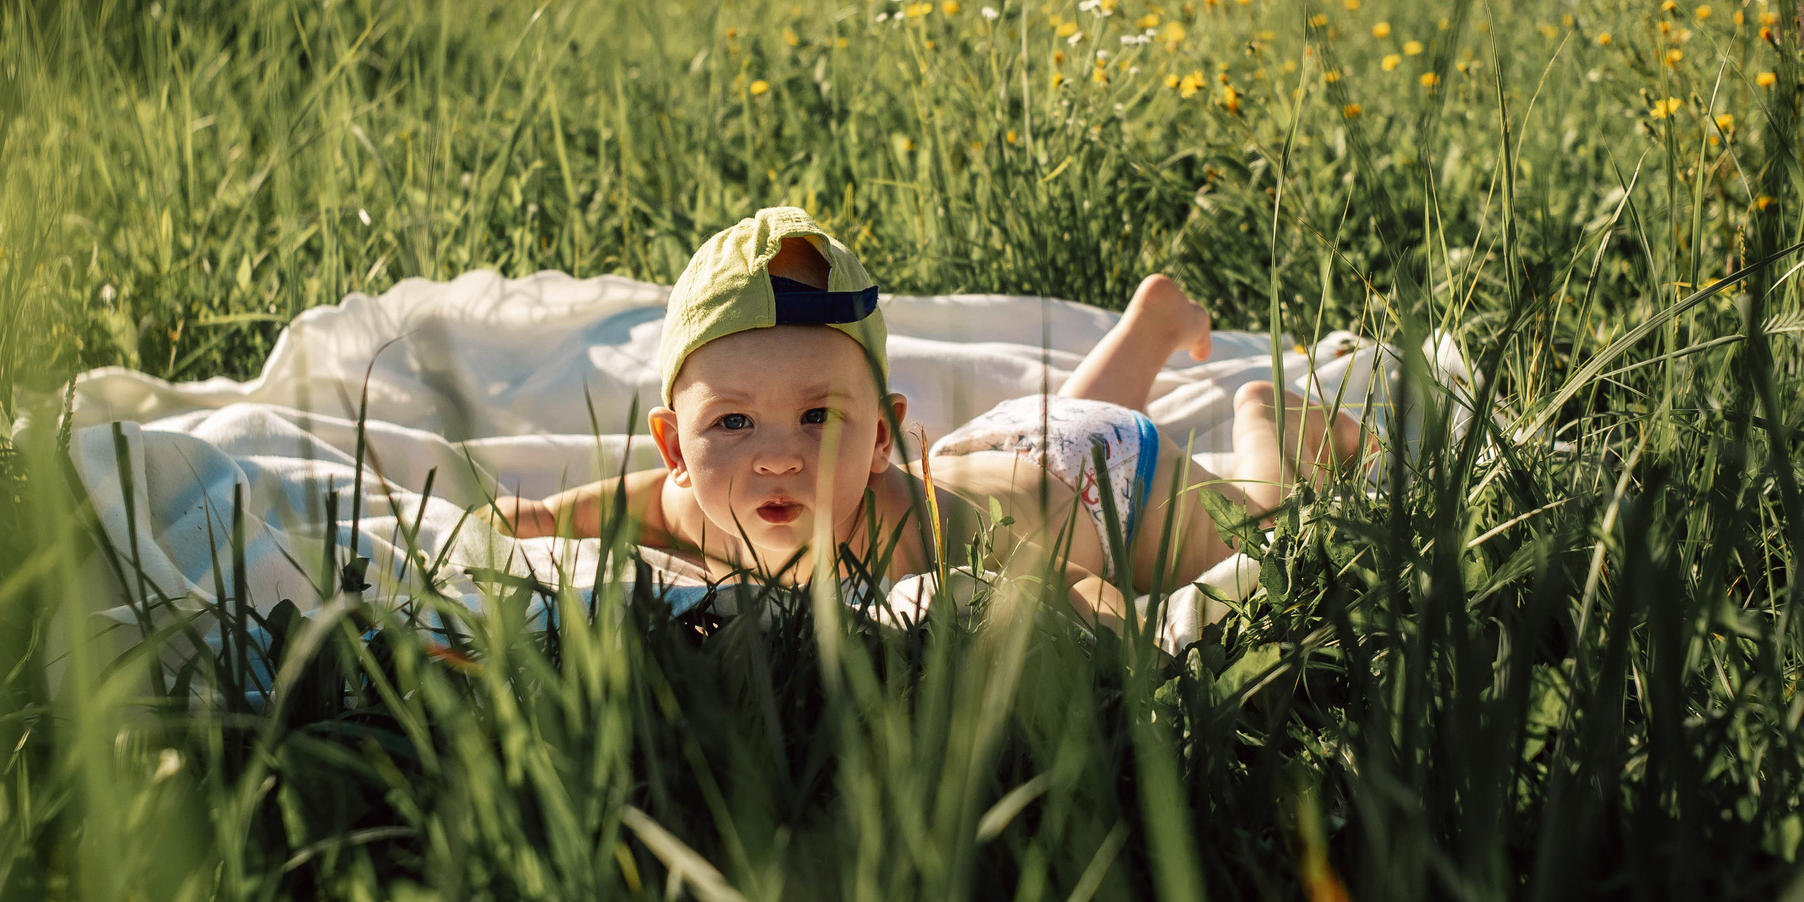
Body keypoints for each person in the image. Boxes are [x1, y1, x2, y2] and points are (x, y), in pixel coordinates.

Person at [488, 207, 1373, 622]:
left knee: (1259, 524)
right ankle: (1150, 324)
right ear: (677, 445)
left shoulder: (904, 534)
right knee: (1072, 410)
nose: (777, 457)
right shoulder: (694, 505)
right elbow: (634, 503)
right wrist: (534, 517)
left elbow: (1068, 588)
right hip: (1006, 436)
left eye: (818, 418)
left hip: (1108, 489)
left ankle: (1279, 420)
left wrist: (1119, 626)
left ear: (879, 439)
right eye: (733, 424)